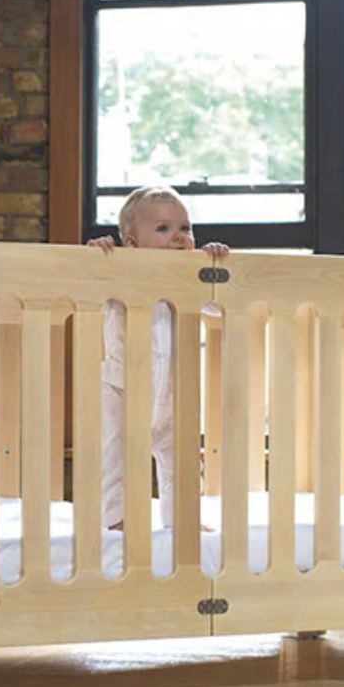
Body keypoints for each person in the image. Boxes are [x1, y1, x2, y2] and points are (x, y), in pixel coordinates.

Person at [88, 185, 228, 531]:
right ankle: (116, 520)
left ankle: (183, 519)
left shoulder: (191, 281)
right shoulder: (118, 274)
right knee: (115, 458)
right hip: (121, 391)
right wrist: (97, 259)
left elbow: (222, 308)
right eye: (164, 228)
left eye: (186, 228)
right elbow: (91, 291)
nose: (179, 237)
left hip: (172, 396)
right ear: (132, 244)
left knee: (181, 462)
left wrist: (214, 268)